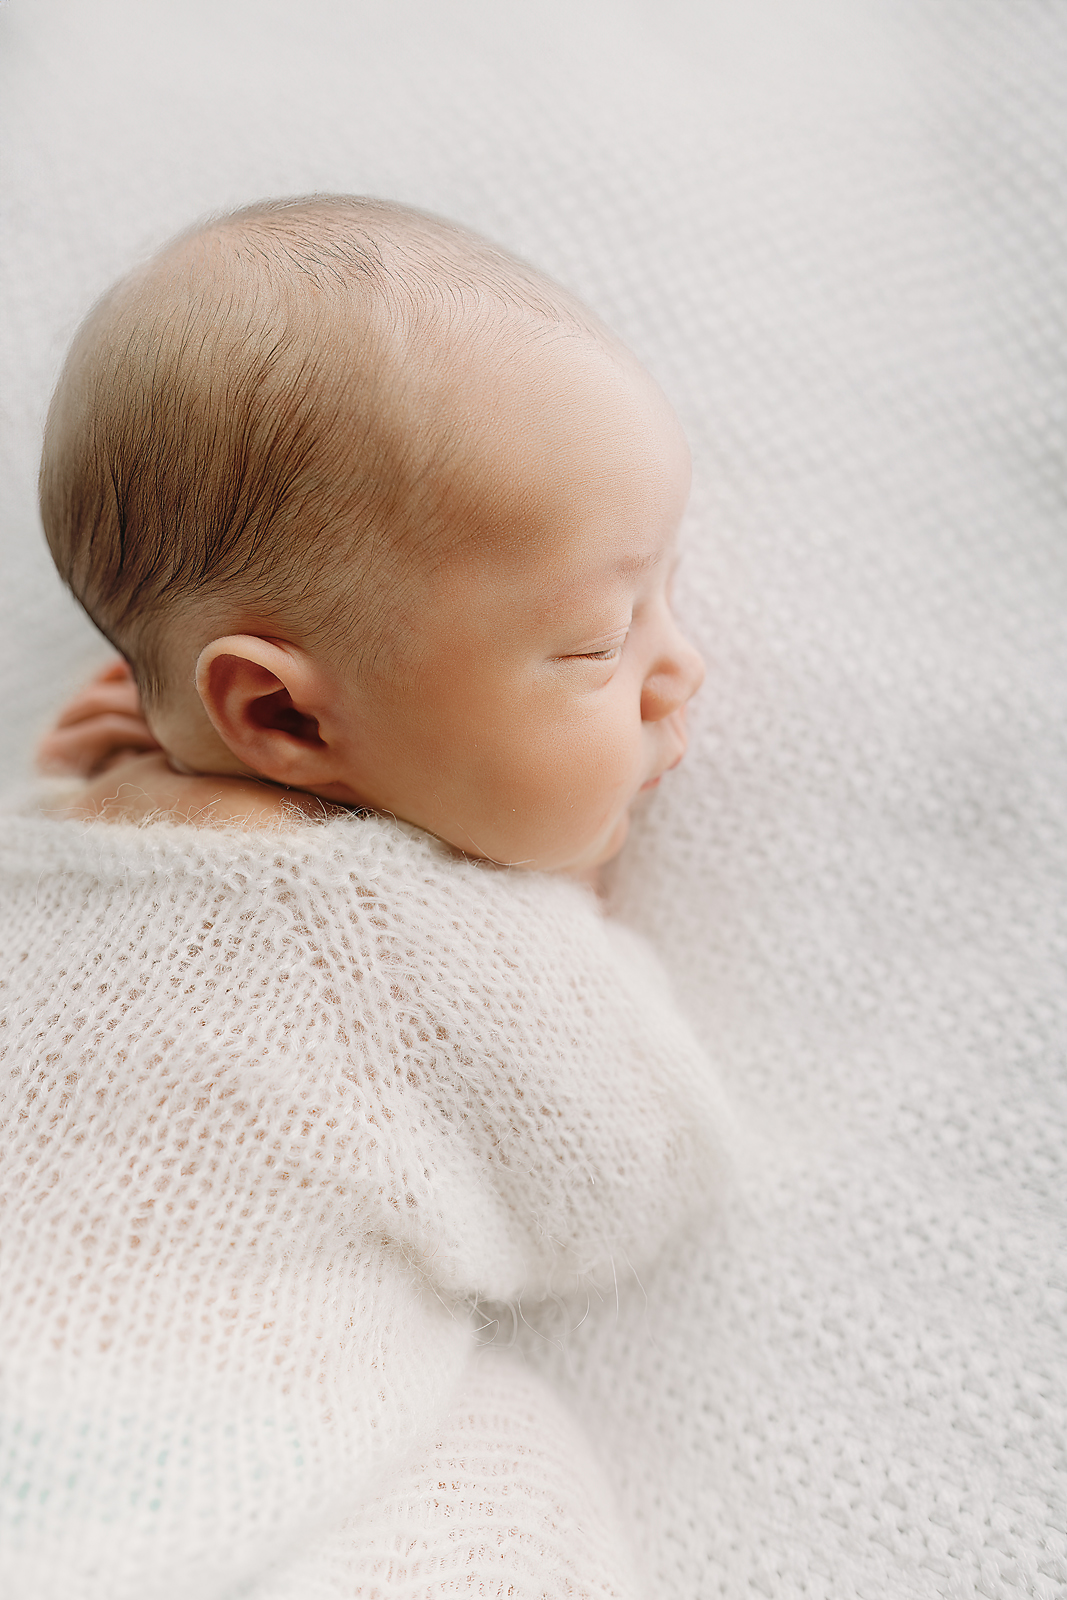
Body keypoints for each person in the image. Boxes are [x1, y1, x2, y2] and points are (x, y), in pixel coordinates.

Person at [2, 196, 735, 1598]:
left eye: (665, 597)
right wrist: (565, 921)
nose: (677, 669)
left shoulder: (43, 849)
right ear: (277, 715)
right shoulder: (411, 942)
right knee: (517, 1474)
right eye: (596, 642)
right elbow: (636, 1177)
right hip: (141, 1500)